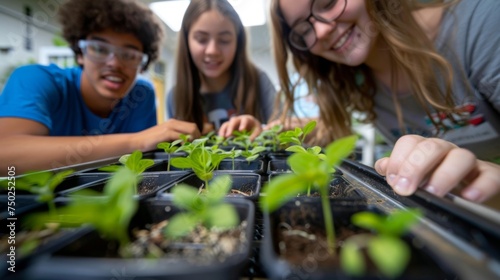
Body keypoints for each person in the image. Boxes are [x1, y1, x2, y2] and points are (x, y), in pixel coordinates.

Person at [267, 0, 500, 206]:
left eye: (329, 3)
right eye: (303, 29)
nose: (322, 29)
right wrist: (303, 130)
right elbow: (343, 131)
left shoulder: (485, 24)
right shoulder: (358, 80)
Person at [0, 0, 201, 176]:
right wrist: (136, 142)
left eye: (129, 55)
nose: (114, 63)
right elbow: (5, 154)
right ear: (80, 52)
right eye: (99, 48)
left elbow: (139, 170)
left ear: (142, 65)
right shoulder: (37, 79)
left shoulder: (141, 95)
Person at [166, 0, 276, 140]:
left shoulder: (259, 82)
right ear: (186, 41)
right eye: (201, 39)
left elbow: (282, 135)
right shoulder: (176, 96)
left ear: (238, 42)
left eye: (224, 40)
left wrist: (262, 130)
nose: (212, 51)